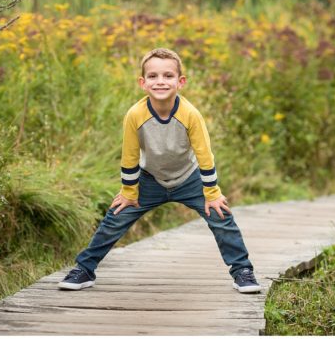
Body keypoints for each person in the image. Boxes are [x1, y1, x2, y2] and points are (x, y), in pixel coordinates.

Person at [59, 48, 261, 294]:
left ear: (180, 82)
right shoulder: (135, 115)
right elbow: (130, 157)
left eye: (168, 76)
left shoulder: (191, 115)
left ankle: (242, 270)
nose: (161, 82)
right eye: (153, 76)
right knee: (115, 217)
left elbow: (204, 156)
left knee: (221, 216)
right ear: (143, 83)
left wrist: (212, 193)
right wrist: (129, 192)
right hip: (150, 179)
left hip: (189, 178)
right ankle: (84, 269)